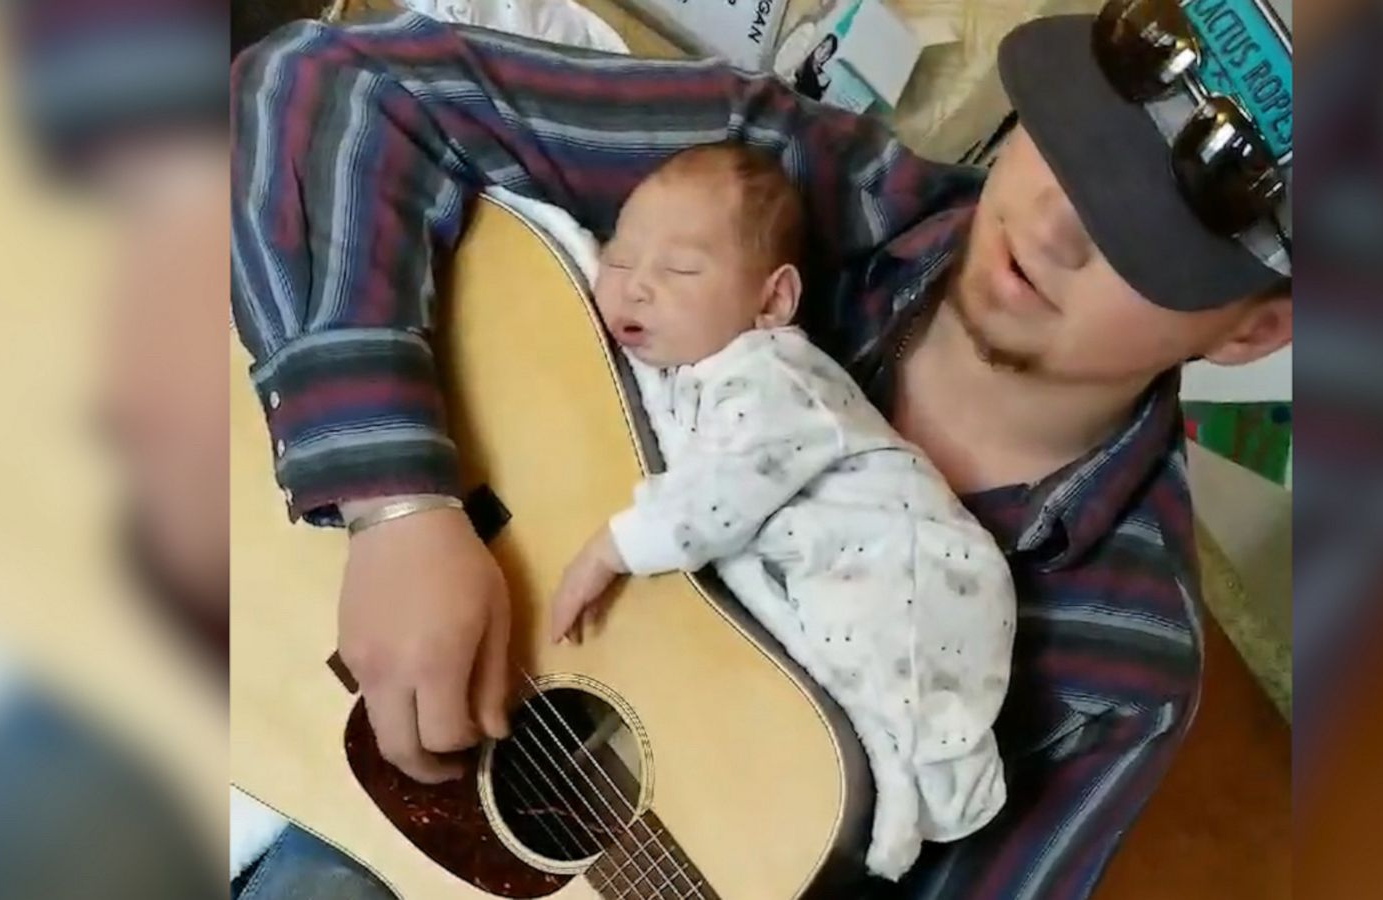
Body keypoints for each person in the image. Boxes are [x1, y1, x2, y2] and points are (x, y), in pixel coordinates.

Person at [229, 0, 1293, 894]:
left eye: (1139, 237)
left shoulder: (1122, 675)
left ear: (1249, 330)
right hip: (273, 639)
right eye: (1067, 136)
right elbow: (327, 84)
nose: (1056, 221)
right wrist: (397, 505)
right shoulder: (788, 181)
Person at [546, 143, 1015, 879]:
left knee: (877, 673)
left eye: (679, 271)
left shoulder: (774, 374)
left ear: (771, 302)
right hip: (842, 554)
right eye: (620, 258)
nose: (635, 288)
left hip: (913, 556)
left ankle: (910, 775)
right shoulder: (690, 362)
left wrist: (609, 549)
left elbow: (721, 494)